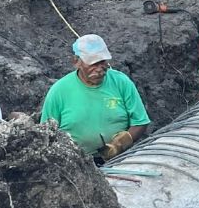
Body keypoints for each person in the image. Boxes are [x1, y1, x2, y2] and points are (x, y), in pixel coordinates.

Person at [40, 34, 150, 162]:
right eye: (93, 63)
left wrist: (120, 144)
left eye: (102, 62)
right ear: (76, 62)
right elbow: (46, 135)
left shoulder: (121, 82)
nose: (99, 69)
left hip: (121, 159)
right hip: (76, 164)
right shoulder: (59, 91)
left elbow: (140, 122)